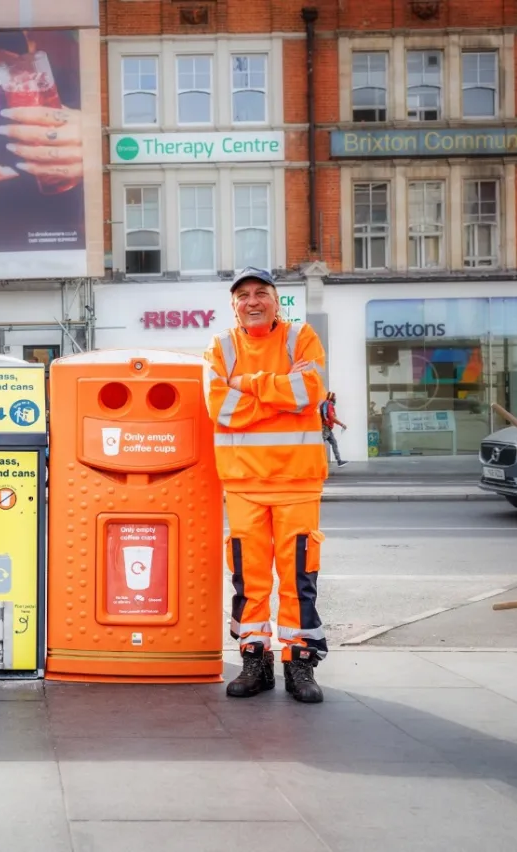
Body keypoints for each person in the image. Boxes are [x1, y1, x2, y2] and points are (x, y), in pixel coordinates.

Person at [203, 267, 330, 704]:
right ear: (233, 306)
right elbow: (221, 409)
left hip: (298, 480)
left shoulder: (301, 337)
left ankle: (299, 663)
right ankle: (254, 660)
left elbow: (308, 392)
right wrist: (279, 398)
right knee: (249, 579)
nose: (252, 301)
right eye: (243, 295)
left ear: (277, 302)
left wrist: (248, 385)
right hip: (244, 483)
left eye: (261, 293)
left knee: (298, 577)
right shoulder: (220, 346)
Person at [319, 392, 348, 468]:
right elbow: (332, 417)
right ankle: (313, 461)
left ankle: (339, 461)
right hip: (325, 428)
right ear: (331, 397)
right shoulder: (329, 405)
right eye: (334, 397)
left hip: (327, 428)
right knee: (319, 445)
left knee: (334, 443)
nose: (335, 399)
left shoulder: (327, 404)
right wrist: (342, 424)